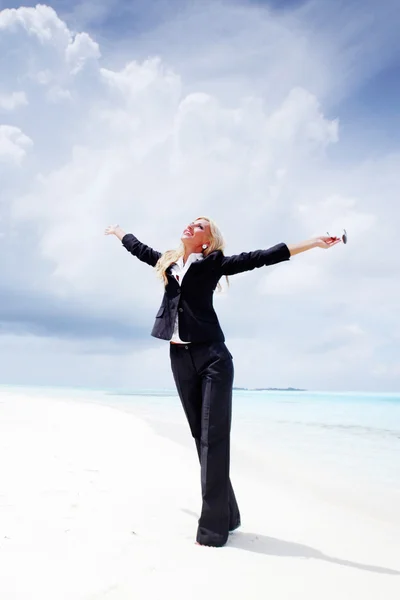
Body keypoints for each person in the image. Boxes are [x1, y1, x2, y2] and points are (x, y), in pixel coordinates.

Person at [105, 217, 341, 547]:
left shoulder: (214, 264)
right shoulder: (169, 263)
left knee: (212, 439)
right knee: (199, 437)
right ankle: (229, 514)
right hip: (179, 359)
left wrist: (312, 243)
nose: (191, 226)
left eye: (200, 226)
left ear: (207, 241)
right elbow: (138, 249)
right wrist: (118, 232)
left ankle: (213, 531)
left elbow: (263, 256)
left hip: (213, 358)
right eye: (191, 222)